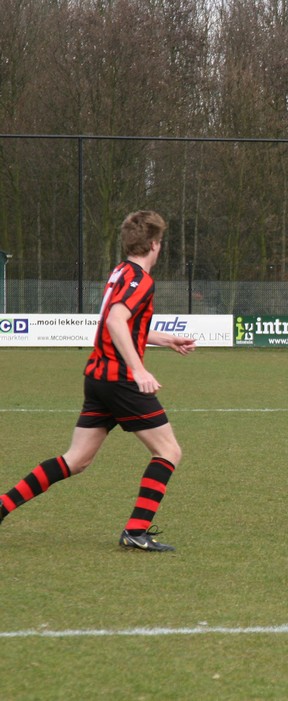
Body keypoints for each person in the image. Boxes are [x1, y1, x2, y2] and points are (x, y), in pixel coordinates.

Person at [0, 211, 196, 551]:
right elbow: (116, 321)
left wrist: (166, 339)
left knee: (76, 460)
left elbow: (124, 324)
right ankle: (136, 531)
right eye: (160, 242)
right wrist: (138, 369)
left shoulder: (121, 272)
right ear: (154, 244)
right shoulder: (140, 280)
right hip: (120, 380)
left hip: (98, 378)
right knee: (168, 451)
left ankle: (2, 506)